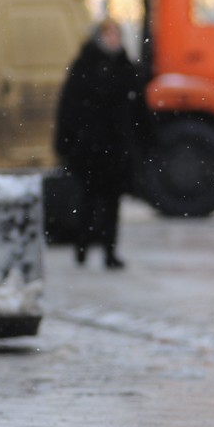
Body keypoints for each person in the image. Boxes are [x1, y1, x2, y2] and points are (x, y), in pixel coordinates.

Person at [53, 19, 146, 269]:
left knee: (112, 203)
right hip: (90, 147)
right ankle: (82, 245)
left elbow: (137, 109)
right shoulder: (85, 65)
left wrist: (141, 140)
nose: (113, 38)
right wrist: (68, 140)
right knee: (88, 199)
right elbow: (69, 107)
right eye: (108, 33)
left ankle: (110, 251)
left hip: (116, 148)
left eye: (116, 33)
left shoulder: (126, 66)